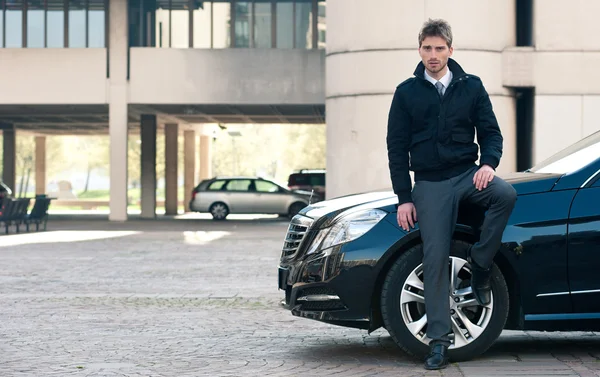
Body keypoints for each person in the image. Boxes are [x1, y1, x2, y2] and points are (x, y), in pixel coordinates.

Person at [386, 19, 517, 370]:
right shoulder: (406, 92)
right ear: (419, 50)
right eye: (427, 48)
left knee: (504, 194)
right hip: (429, 184)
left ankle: (480, 264)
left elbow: (491, 132)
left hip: (467, 174)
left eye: (439, 48)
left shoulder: (471, 86)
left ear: (450, 50)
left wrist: (488, 163)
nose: (433, 55)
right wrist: (404, 197)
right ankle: (440, 342)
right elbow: (396, 149)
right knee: (434, 258)